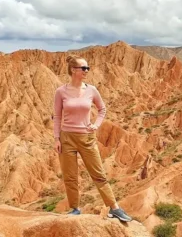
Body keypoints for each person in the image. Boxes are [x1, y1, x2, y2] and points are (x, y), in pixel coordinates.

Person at [53, 56, 132, 222]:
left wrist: (96, 125)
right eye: (84, 68)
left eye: (87, 68)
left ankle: (114, 208)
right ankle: (74, 208)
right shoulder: (61, 91)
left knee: (98, 174)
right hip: (66, 137)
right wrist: (57, 139)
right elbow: (57, 116)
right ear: (73, 70)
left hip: (87, 138)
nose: (87, 71)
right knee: (70, 176)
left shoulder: (91, 90)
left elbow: (102, 109)